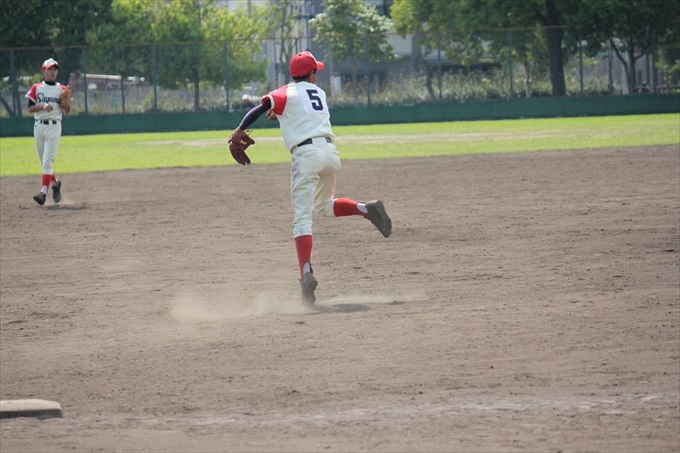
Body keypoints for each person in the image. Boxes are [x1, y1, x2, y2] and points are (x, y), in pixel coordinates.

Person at [229, 50, 392, 306]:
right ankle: (366, 209)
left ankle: (306, 273)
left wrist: (239, 129)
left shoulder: (286, 92)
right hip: (330, 153)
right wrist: (280, 112)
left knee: (302, 219)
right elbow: (300, 111)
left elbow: (261, 107)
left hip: (306, 156)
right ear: (312, 74)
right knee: (323, 206)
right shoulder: (319, 93)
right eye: (316, 71)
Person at [26, 58, 71, 206]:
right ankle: (55, 184)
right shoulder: (37, 87)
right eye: (50, 69)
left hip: (54, 126)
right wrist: (43, 106)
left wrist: (65, 103)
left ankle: (43, 192)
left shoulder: (61, 89)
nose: (53, 72)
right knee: (43, 163)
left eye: (55, 69)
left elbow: (67, 110)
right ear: (43, 71)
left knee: (47, 162)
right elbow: (30, 108)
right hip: (38, 126)